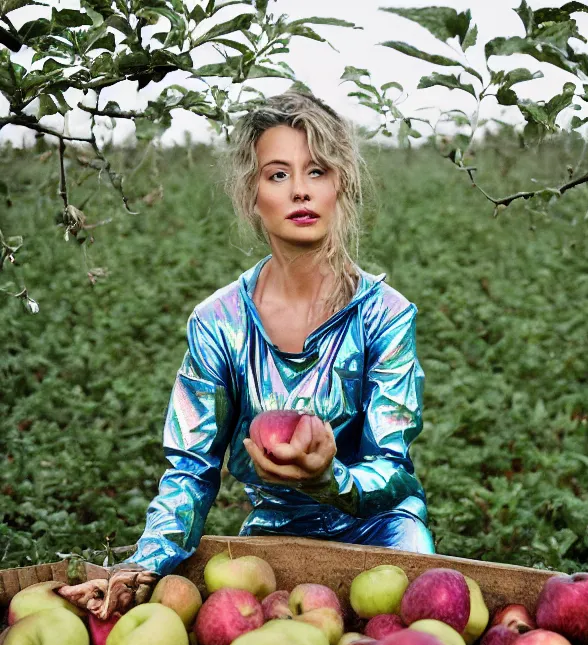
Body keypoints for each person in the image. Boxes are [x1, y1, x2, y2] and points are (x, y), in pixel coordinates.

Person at [59, 90, 434, 618]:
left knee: (414, 638)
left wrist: (331, 479)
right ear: (251, 194)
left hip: (383, 533)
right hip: (273, 537)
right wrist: (140, 567)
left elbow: (391, 467)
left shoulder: (385, 316)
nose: (300, 190)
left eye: (318, 171)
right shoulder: (219, 322)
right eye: (278, 174)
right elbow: (190, 468)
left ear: (341, 185)